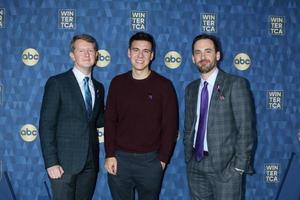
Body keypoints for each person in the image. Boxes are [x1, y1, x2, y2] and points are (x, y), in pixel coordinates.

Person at [104, 31, 178, 200]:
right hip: (120, 160)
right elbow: (109, 121)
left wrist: (162, 160)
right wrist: (109, 154)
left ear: (152, 55)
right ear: (129, 52)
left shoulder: (164, 86)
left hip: (151, 162)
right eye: (136, 50)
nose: (140, 55)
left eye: (146, 51)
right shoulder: (117, 83)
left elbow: (170, 126)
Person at [183, 34, 256, 200]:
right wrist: (189, 158)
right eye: (198, 52)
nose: (203, 57)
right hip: (196, 165)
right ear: (193, 58)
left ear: (217, 55)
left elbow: (245, 129)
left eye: (208, 51)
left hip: (226, 169)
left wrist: (238, 167)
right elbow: (189, 126)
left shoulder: (235, 84)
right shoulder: (191, 89)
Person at [39, 34, 104, 200]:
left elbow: (99, 120)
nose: (87, 54)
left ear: (96, 55)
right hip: (63, 163)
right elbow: (46, 125)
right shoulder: (57, 83)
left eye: (91, 50)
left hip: (90, 163)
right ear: (72, 55)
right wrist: (51, 162)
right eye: (81, 50)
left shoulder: (98, 87)